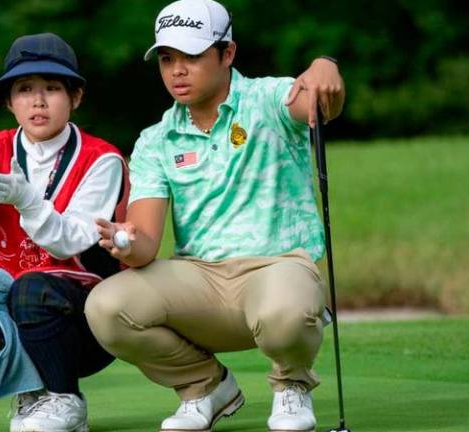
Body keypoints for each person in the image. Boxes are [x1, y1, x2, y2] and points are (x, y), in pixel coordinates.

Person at [85, 0, 345, 431]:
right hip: (200, 280)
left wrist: (324, 66)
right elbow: (146, 243)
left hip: (277, 267)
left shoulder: (268, 98)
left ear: (227, 54)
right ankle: (205, 387)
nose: (177, 71)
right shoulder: (155, 140)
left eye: (191, 56)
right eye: (167, 59)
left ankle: (291, 386)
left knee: (284, 312)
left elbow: (317, 104)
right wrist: (124, 242)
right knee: (106, 306)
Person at [0, 32, 128, 432]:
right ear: (9, 101)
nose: (38, 101)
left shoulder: (102, 159)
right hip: (11, 304)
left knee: (33, 290)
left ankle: (65, 399)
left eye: (52, 88)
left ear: (76, 97)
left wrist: (28, 200)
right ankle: (34, 394)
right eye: (25, 89)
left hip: (85, 314)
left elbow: (72, 238)